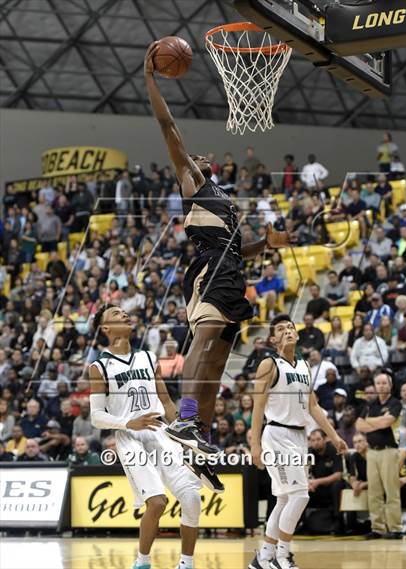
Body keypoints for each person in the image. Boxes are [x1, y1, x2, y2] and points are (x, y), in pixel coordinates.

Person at [144, 43, 288, 468]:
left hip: (231, 269)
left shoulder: (222, 199)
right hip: (208, 269)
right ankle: (185, 420)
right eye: (196, 155)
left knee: (218, 361)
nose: (202, 156)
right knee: (203, 343)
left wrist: (265, 244)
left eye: (205, 157)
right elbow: (167, 125)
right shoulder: (191, 180)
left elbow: (237, 248)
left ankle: (201, 437)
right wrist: (150, 78)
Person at [89, 305, 202, 569]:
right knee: (158, 502)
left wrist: (186, 434)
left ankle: (186, 563)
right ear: (105, 328)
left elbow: (165, 399)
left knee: (191, 498)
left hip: (161, 432)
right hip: (130, 437)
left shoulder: (149, 358)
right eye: (117, 314)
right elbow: (96, 416)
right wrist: (129, 422)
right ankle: (142, 562)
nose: (125, 315)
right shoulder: (99, 366)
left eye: (125, 312)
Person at [249, 314, 347, 569]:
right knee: (300, 495)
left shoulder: (303, 367)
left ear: (298, 334)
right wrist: (255, 445)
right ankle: (282, 556)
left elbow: (313, 406)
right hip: (277, 434)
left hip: (298, 436)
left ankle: (264, 558)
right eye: (281, 329)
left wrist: (334, 437)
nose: (287, 331)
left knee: (284, 499)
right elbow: (257, 406)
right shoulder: (269, 364)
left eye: (290, 328)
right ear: (273, 339)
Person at [356, 372, 402, 538]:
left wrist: (371, 422)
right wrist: (379, 422)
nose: (381, 386)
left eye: (384, 383)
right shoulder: (370, 404)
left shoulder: (395, 403)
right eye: (378, 383)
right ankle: (377, 528)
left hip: (389, 451)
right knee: (374, 492)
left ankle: (395, 528)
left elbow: (388, 422)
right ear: (375, 386)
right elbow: (359, 425)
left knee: (391, 491)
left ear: (390, 385)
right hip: (372, 452)